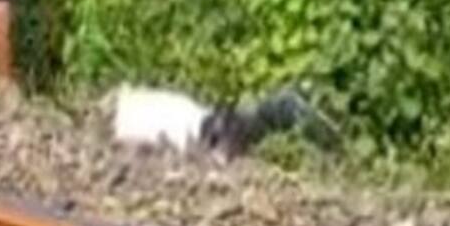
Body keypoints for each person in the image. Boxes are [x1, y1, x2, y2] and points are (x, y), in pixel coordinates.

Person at [107, 83, 341, 158]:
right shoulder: (135, 113)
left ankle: (285, 111)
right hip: (193, 127)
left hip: (194, 126)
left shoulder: (135, 111)